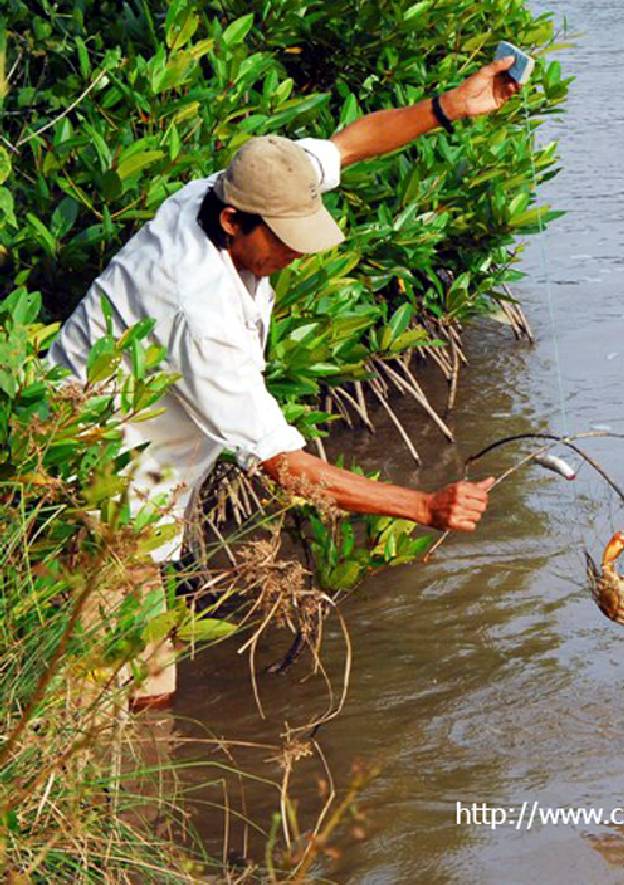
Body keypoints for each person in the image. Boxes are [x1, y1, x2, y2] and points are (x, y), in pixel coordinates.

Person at [49, 56, 522, 706]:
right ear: (233, 222)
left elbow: (349, 145)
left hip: (141, 471)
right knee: (106, 695)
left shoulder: (248, 181)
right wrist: (423, 507)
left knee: (150, 686)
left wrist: (449, 106)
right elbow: (280, 463)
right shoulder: (195, 306)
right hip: (87, 484)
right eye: (285, 240)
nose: (298, 253)